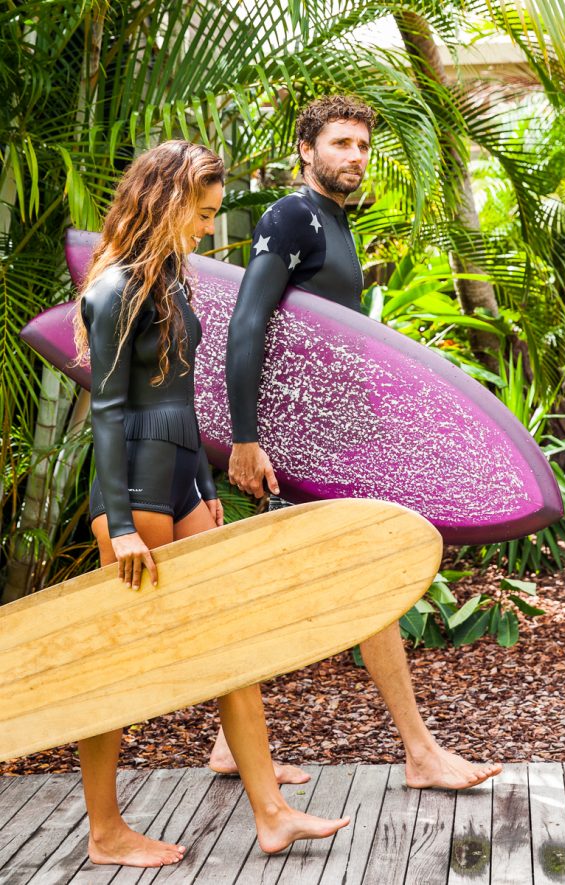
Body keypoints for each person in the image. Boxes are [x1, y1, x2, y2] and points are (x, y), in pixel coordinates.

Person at [73, 140, 348, 869]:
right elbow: (106, 410)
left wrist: (204, 492)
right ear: (165, 202)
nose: (205, 228)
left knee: (233, 641)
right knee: (119, 665)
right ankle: (104, 831)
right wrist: (125, 527)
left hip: (179, 470)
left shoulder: (173, 279)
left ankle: (272, 811)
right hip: (129, 477)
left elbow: (183, 396)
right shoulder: (113, 290)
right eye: (200, 214)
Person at [215, 96, 502, 791]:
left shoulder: (336, 224)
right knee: (369, 578)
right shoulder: (291, 217)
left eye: (364, 146)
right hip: (296, 445)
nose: (355, 156)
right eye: (340, 143)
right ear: (305, 149)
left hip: (327, 441)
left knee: (272, 591)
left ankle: (226, 743)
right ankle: (421, 752)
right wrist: (247, 439)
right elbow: (246, 324)